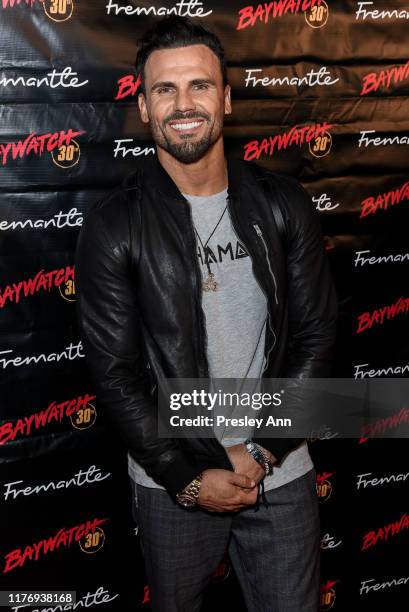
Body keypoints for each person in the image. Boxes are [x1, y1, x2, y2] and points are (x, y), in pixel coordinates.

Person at [75, 16, 338, 612]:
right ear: (143, 106)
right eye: (164, 89)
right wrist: (187, 478)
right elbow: (116, 375)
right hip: (172, 482)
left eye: (198, 85)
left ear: (226, 97)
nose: (182, 104)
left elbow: (317, 338)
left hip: (282, 469)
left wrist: (265, 450)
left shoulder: (283, 205)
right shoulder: (114, 227)